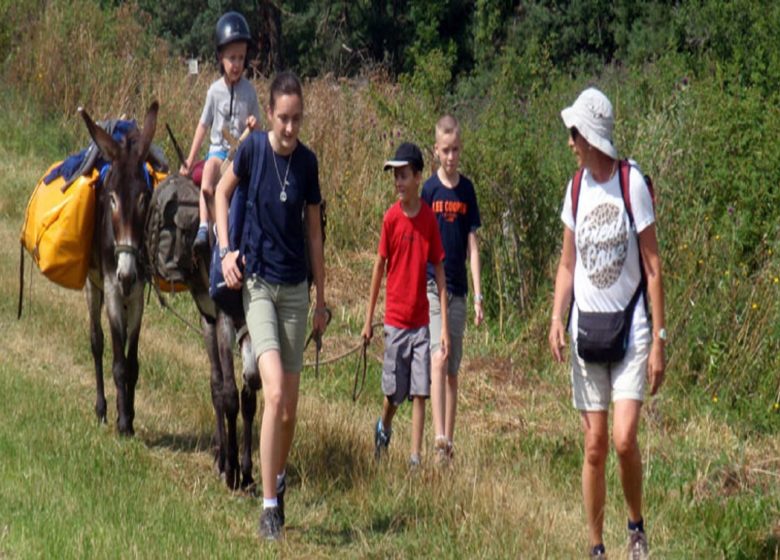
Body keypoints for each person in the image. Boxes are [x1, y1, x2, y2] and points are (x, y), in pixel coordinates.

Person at [548, 88, 666, 560]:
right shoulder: (575, 189)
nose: (570, 142)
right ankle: (597, 548)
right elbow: (566, 264)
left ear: (591, 136)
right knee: (594, 445)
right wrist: (556, 316)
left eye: (574, 133)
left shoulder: (629, 183)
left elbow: (654, 267)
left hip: (632, 328)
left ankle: (635, 526)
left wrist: (659, 339)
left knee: (622, 439)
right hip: (586, 332)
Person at [214, 71, 327, 541]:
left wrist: (323, 297)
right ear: (271, 114)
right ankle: (268, 508)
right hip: (258, 285)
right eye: (283, 118)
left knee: (289, 410)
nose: (289, 127)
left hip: (296, 291)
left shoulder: (307, 164)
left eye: (297, 118)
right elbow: (221, 192)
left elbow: (316, 232)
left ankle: (276, 477)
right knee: (275, 393)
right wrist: (225, 251)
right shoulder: (253, 149)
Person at [362, 142, 450, 468]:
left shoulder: (428, 220)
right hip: (395, 322)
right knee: (394, 394)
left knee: (420, 391)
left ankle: (415, 458)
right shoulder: (391, 219)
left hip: (421, 324)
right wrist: (369, 318)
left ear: (417, 177)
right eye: (395, 177)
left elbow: (439, 267)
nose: (398, 182)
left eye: (403, 175)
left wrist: (443, 331)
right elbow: (379, 266)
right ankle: (384, 426)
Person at [421, 115, 483, 465]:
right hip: (432, 286)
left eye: (456, 149)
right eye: (445, 150)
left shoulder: (467, 191)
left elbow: (472, 244)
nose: (451, 156)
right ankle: (438, 438)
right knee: (438, 357)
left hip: (459, 289)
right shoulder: (429, 190)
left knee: (453, 368)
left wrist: (478, 295)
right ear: (436, 151)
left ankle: (450, 441)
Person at [180, 11, 261, 255]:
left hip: (239, 153)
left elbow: (257, 126)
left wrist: (253, 124)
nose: (236, 64)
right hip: (218, 150)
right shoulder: (214, 91)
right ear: (220, 58)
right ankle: (205, 226)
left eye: (240, 58)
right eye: (231, 58)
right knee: (207, 182)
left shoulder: (250, 91)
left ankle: (233, 230)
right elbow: (203, 125)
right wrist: (191, 159)